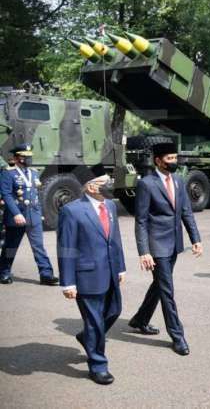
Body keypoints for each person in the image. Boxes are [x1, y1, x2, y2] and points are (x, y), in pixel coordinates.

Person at [128, 142, 202, 356]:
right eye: (169, 159)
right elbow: (141, 220)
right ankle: (177, 336)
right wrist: (144, 251)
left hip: (174, 244)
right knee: (167, 290)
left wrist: (195, 239)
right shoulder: (147, 184)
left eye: (175, 158)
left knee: (160, 285)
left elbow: (186, 212)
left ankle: (140, 319)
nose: (174, 162)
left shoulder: (178, 181)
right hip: (157, 246)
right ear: (158, 161)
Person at [57, 164, 125, 385]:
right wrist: (68, 282)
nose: (110, 186)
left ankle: (87, 337)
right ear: (91, 186)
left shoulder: (111, 207)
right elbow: (66, 247)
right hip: (86, 275)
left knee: (115, 310)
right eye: (106, 182)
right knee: (95, 322)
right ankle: (98, 365)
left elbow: (115, 240)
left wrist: (121, 267)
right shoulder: (72, 210)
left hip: (110, 272)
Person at [0, 143, 58, 285]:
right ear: (17, 157)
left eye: (29, 157)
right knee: (11, 247)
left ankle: (46, 275)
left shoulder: (34, 172)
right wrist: (15, 214)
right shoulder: (8, 173)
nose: (28, 159)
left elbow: (35, 195)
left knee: (39, 246)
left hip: (34, 216)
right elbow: (6, 195)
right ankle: (4, 272)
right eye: (25, 157)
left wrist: (40, 213)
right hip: (17, 217)